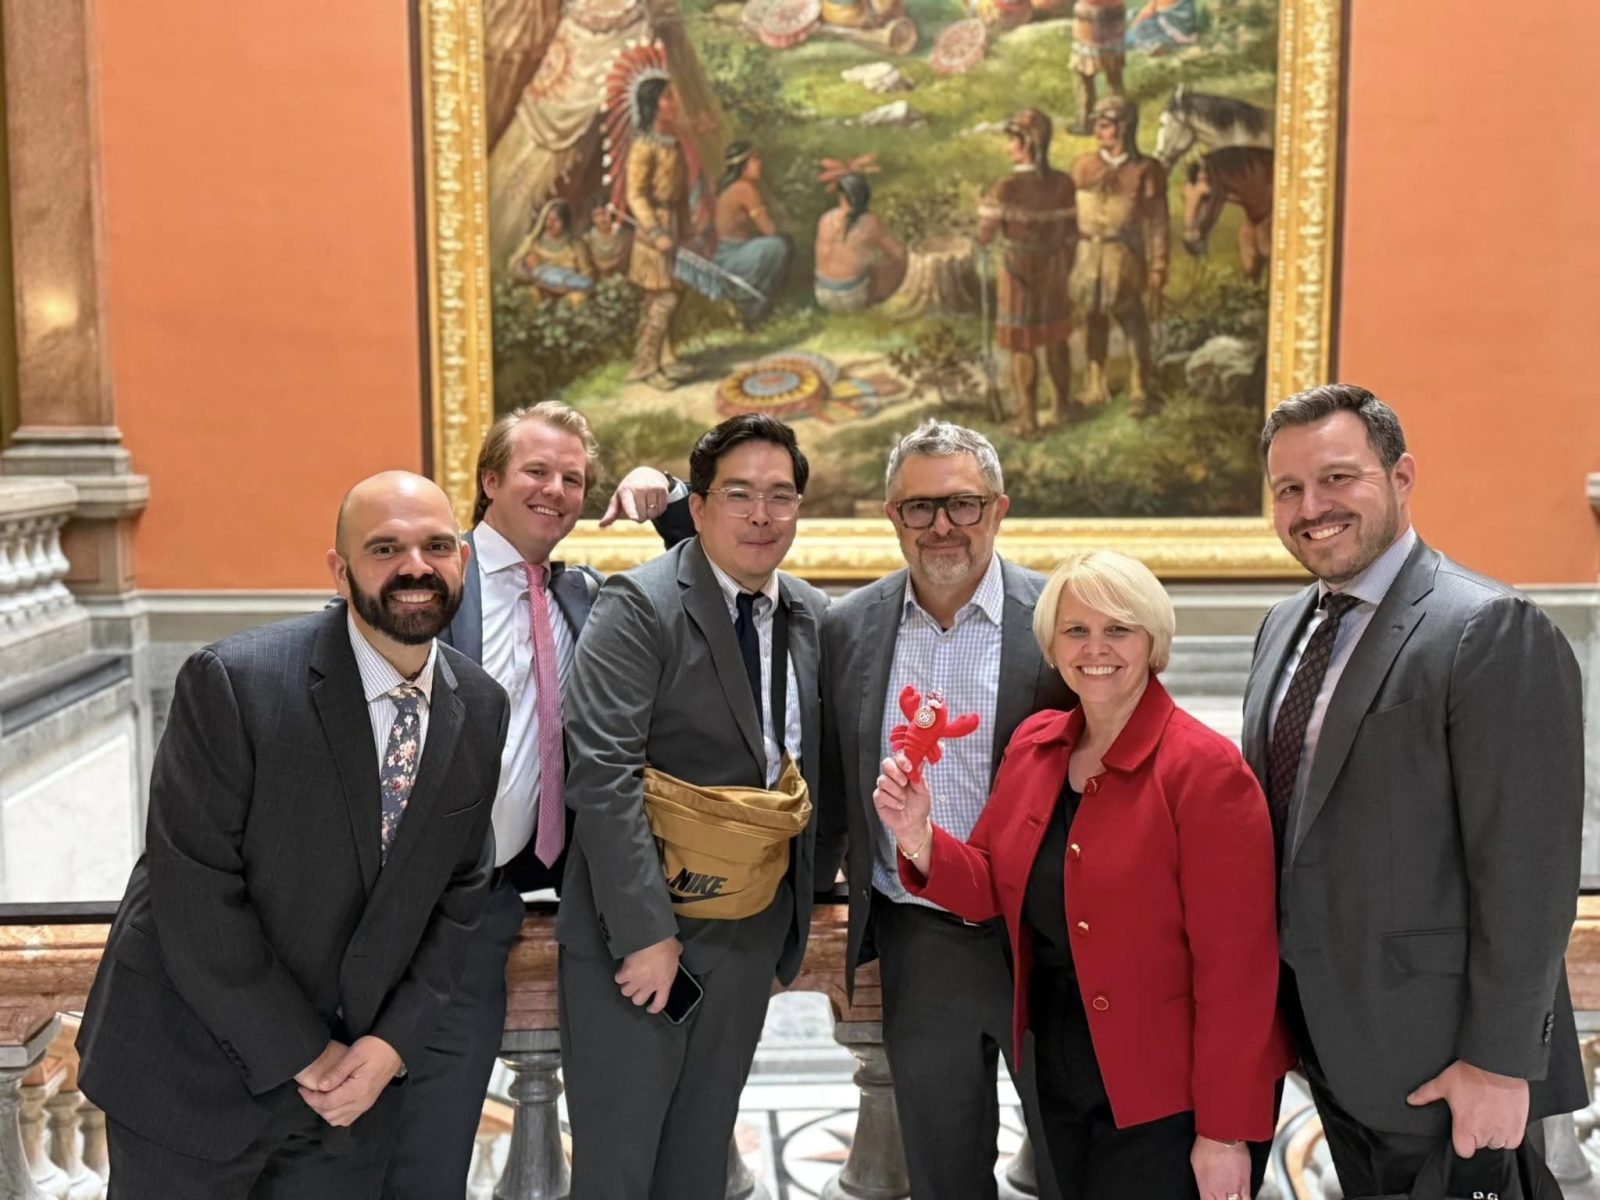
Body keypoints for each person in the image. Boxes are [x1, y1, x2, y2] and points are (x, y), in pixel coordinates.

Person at [75, 472, 509, 1199]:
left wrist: (389, 1046)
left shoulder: (482, 707)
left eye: (437, 546)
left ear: (462, 560)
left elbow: (460, 896)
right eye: (384, 548)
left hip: (349, 1106)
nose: (416, 567)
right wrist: (306, 1054)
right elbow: (193, 890)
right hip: (191, 1079)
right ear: (340, 571)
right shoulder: (235, 681)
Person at [1243, 384, 1586, 1196]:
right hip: (1331, 1054)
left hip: (1447, 1067)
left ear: (1401, 477)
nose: (1311, 508)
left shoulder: (1488, 627)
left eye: (1337, 478)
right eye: (1289, 488)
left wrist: (1499, 1065)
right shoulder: (1284, 625)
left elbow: (1528, 874)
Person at [874, 550, 1291, 1200]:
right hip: (1060, 1072)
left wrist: (1225, 1131)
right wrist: (917, 835)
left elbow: (1239, 973)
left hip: (1170, 1093)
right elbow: (989, 884)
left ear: (1153, 641)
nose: (1095, 648)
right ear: (1052, 645)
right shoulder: (1036, 743)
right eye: (1076, 630)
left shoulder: (1205, 771)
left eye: (1118, 628)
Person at [381, 403, 695, 1199]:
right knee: (411, 1150)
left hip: (527, 895)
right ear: (490, 481)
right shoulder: (432, 583)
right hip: (416, 906)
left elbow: (704, 589)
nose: (556, 490)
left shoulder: (585, 596)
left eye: (573, 479)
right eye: (536, 471)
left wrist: (671, 498)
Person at [557, 414, 830, 1198]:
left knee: (699, 1161)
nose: (761, 514)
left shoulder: (809, 614)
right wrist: (646, 935)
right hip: (641, 936)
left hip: (748, 932)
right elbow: (602, 775)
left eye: (780, 496)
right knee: (619, 1170)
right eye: (739, 494)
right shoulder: (639, 606)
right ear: (700, 507)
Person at [814, 419, 1076, 1200]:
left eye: (963, 504)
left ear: (999, 509)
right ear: (891, 517)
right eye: (918, 508)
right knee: (942, 1172)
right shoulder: (848, 627)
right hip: (920, 938)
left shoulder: (1060, 617)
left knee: (1072, 1161)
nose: (941, 526)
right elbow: (831, 780)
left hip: (1047, 938)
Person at [976, 109, 1077, 437]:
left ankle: (1028, 420)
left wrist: (982, 210)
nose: (1008, 147)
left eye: (1012, 140)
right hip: (1055, 267)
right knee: (1056, 338)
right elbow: (1072, 232)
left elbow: (984, 235)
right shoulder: (1063, 183)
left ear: (1028, 143)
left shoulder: (1006, 187)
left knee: (1024, 344)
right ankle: (1062, 409)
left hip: (1018, 271)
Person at [1068, 93, 1169, 416]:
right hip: (1088, 253)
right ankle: (1094, 385)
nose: (1099, 131)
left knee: (1131, 317)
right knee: (1091, 317)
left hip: (1123, 254)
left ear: (1125, 127)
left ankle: (1140, 386)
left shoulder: (1146, 169)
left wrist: (1158, 265)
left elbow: (1158, 222)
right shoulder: (1083, 166)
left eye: (1106, 124)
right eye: (1096, 124)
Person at [624, 76, 694, 391]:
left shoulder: (673, 143)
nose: (673, 103)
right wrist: (655, 230)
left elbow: (681, 192)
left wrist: (685, 228)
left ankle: (666, 357)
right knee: (660, 298)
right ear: (653, 105)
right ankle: (646, 366)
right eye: (667, 98)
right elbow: (635, 194)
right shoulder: (643, 146)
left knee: (674, 292)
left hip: (673, 223)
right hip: (652, 231)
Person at [712, 142, 792, 327]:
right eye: (755, 159)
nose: (759, 164)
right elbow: (768, 229)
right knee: (779, 245)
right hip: (729, 255)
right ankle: (752, 308)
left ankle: (753, 307)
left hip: (719, 251)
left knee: (776, 244)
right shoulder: (744, 189)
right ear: (742, 165)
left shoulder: (727, 186)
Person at [813, 170, 906, 313]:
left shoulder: (825, 219)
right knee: (886, 264)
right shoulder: (869, 222)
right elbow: (899, 253)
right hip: (853, 297)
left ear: (841, 195)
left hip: (822, 294)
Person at [507, 199, 597, 306]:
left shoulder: (577, 246)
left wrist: (568, 284)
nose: (550, 224)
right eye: (548, 219)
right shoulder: (533, 242)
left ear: (564, 223)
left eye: (556, 220)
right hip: (540, 290)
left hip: (568, 291)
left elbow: (587, 273)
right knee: (528, 296)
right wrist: (526, 268)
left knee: (577, 300)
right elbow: (513, 265)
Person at [1068, 0, 1126, 133]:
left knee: (1084, 78)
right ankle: (1119, 117)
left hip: (1090, 18)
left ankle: (1086, 122)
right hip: (1113, 14)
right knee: (1114, 77)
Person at [584, 198, 632, 279]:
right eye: (596, 215)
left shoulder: (624, 235)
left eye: (604, 213)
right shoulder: (588, 239)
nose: (601, 219)